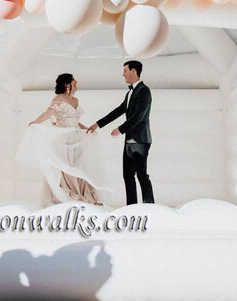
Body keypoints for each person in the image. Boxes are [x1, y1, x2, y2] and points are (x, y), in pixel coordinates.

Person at [16, 73, 107, 207]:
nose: (76, 81)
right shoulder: (59, 98)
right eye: (73, 80)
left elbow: (75, 121)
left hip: (76, 138)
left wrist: (88, 129)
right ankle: (70, 195)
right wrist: (36, 122)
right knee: (65, 167)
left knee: (78, 166)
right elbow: (48, 113)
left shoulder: (76, 101)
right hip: (63, 138)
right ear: (67, 84)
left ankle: (82, 194)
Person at [87, 61, 155, 205]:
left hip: (140, 141)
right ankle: (131, 207)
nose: (122, 74)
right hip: (129, 141)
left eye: (125, 70)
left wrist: (120, 129)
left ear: (133, 72)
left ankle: (149, 206)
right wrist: (98, 124)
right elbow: (118, 111)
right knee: (128, 176)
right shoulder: (129, 93)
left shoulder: (144, 91)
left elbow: (139, 116)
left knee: (142, 175)